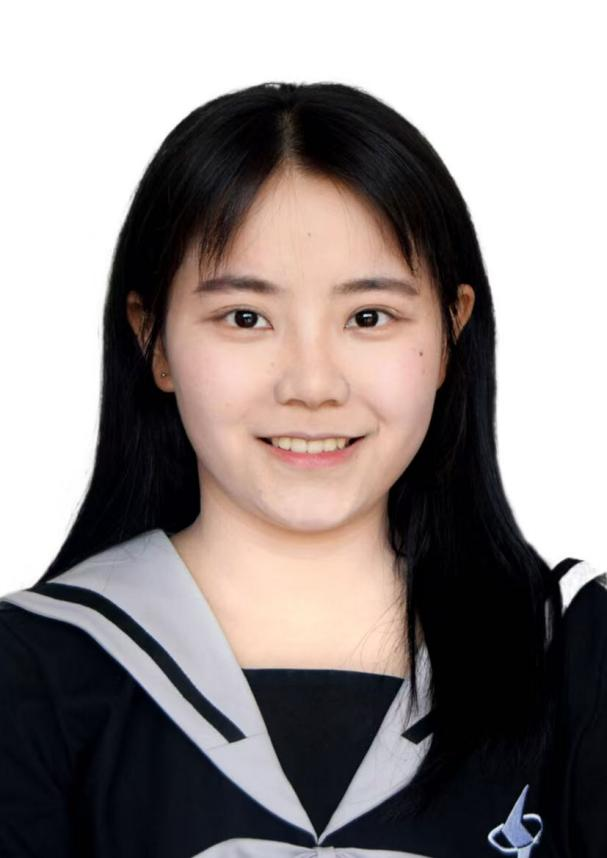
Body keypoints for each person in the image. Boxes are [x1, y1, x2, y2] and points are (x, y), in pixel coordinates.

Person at [0, 81, 605, 857]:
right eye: (245, 318)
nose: (312, 385)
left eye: (368, 317)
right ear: (154, 340)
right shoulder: (30, 672)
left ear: (451, 332)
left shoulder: (574, 653)